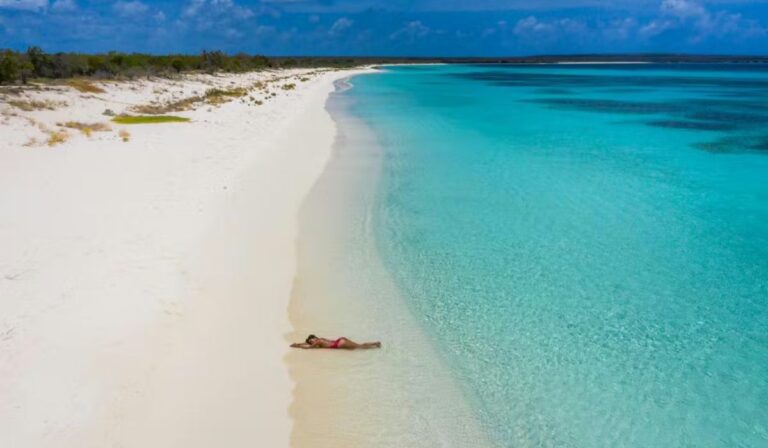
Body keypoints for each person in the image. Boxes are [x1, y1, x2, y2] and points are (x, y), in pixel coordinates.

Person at [290, 334, 381, 350]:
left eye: (312, 339)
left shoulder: (319, 341)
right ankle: (375, 344)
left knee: (359, 347)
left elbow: (309, 347)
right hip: (340, 341)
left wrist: (297, 346)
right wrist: (298, 344)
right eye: (311, 341)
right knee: (359, 346)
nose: (312, 341)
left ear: (315, 338)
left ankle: (376, 344)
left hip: (339, 344)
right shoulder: (320, 339)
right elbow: (309, 344)